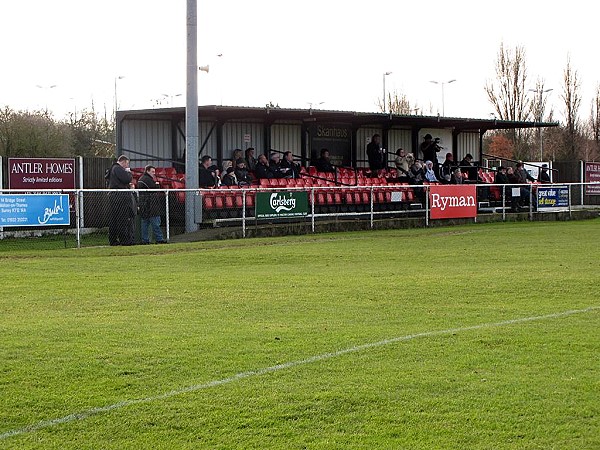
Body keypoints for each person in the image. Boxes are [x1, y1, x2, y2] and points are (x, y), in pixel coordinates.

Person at [107, 155, 136, 246]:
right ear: (123, 162)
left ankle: (113, 239)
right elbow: (126, 179)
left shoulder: (113, 168)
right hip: (120, 197)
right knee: (121, 219)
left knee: (114, 219)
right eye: (127, 164)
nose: (127, 166)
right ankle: (124, 240)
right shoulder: (118, 169)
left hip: (115, 197)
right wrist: (128, 173)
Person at [137, 165, 167, 244]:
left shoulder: (141, 179)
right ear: (147, 171)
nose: (154, 173)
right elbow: (154, 188)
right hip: (151, 204)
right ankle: (159, 239)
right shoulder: (147, 179)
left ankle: (145, 240)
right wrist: (157, 184)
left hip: (144, 204)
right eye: (152, 171)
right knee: (156, 223)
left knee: (145, 223)